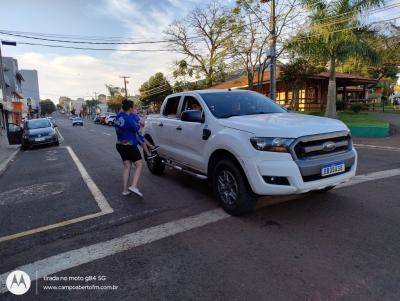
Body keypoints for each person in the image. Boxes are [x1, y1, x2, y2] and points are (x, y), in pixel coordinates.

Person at [114, 99, 144, 197]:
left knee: (127, 166)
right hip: (129, 146)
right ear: (130, 108)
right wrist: (142, 125)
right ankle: (134, 186)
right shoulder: (130, 120)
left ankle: (125, 190)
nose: (135, 108)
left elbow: (121, 110)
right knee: (139, 164)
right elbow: (138, 130)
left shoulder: (118, 116)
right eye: (134, 106)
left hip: (119, 145)